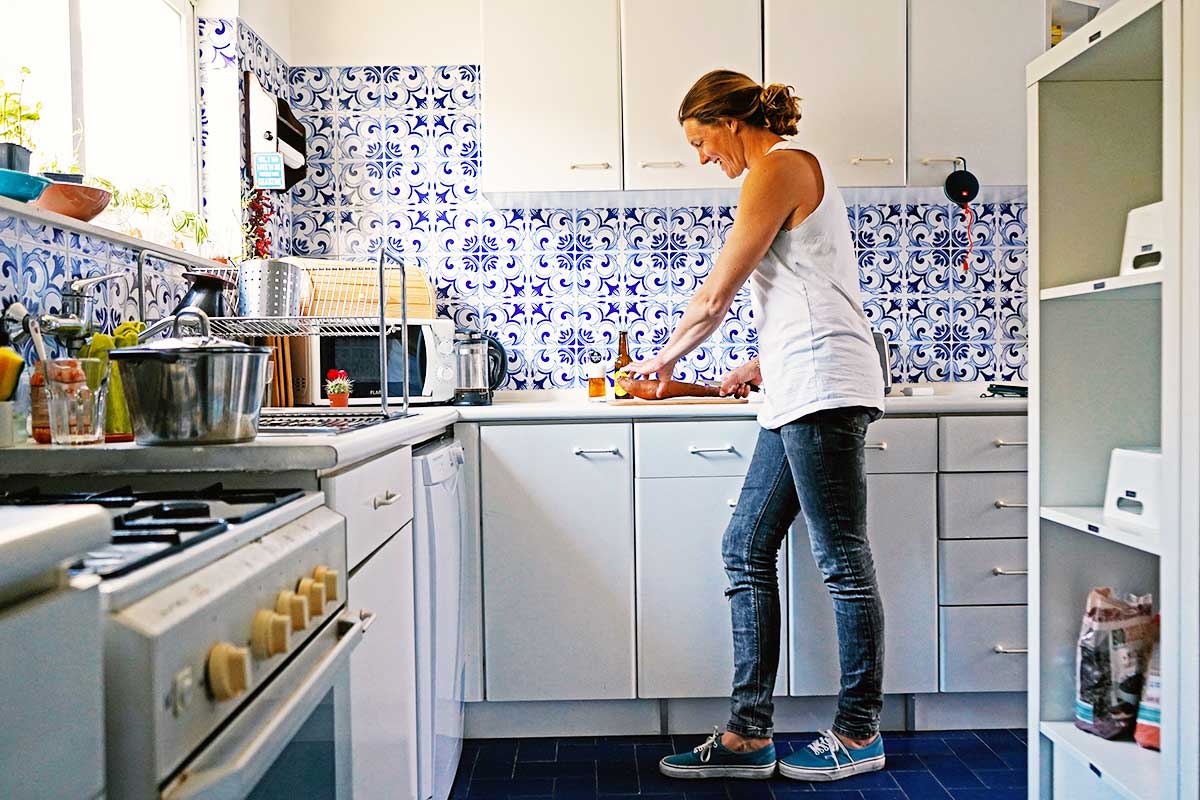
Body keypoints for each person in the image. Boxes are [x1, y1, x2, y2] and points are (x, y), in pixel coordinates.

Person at [626, 70, 887, 783]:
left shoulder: (778, 168)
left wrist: (660, 360)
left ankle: (860, 731)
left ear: (730, 122)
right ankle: (749, 734)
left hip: (824, 390)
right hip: (799, 384)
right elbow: (811, 291)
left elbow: (717, 295)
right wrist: (759, 361)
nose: (702, 158)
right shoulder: (782, 173)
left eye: (700, 140)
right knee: (745, 545)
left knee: (841, 561)